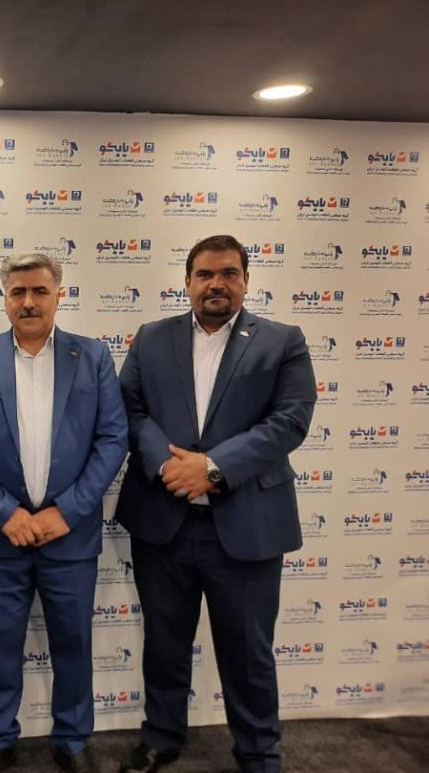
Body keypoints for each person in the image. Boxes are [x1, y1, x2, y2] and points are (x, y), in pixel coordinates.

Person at [114, 234, 316, 773]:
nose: (216, 284)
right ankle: (161, 737)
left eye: (229, 273)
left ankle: (258, 752)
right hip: (164, 522)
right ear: (187, 282)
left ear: (246, 281)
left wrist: (212, 468)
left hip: (247, 525)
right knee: (164, 642)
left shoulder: (282, 342)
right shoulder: (152, 338)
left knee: (248, 652)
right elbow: (129, 409)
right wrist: (167, 465)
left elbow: (290, 420)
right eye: (205, 274)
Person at [0, 254, 128, 773]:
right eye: (18, 292)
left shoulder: (92, 356)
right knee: (0, 644)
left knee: (74, 643)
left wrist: (67, 512)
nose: (28, 302)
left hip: (70, 534)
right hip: (1, 535)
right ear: (4, 299)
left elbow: (113, 439)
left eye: (39, 291)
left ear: (58, 295)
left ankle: (73, 740)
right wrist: (6, 513)